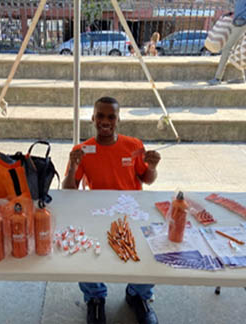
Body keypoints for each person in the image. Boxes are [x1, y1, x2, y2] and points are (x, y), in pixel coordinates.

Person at [63, 96, 161, 324]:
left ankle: (138, 295)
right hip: (96, 213)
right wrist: (73, 169)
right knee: (86, 252)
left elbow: (147, 179)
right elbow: (68, 191)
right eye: (100, 115)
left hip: (133, 212)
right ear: (93, 118)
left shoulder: (134, 145)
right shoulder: (82, 150)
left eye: (111, 116)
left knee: (149, 252)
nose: (105, 121)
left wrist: (153, 168)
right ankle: (95, 298)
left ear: (118, 120)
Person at [208, 0, 246, 85]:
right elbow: (239, 7)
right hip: (235, 22)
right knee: (236, 51)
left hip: (243, 23)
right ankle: (241, 77)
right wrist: (230, 13)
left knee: (227, 48)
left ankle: (218, 78)